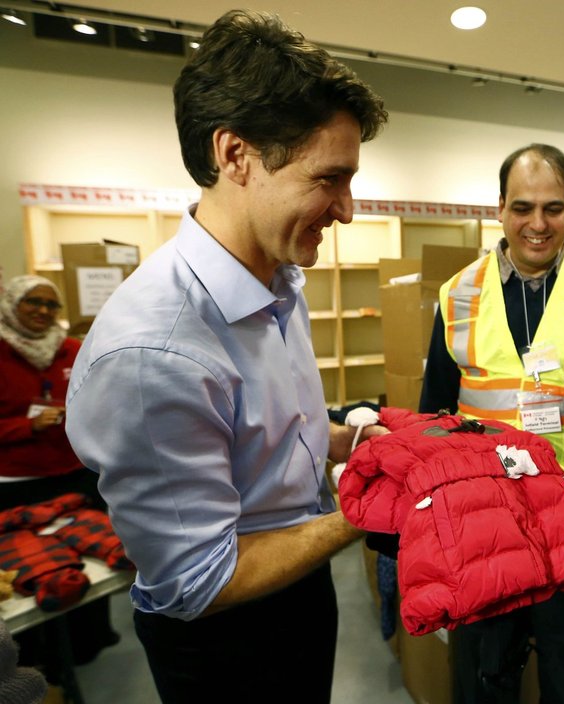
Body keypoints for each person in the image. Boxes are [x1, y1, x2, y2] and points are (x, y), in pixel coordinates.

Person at [65, 10, 388, 703]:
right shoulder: (155, 353)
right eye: (329, 179)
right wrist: (365, 511)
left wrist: (342, 440)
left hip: (297, 585)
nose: (348, 210)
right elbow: (198, 578)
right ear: (236, 155)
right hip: (227, 638)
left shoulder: (279, 283)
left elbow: (254, 436)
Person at [419, 143, 564, 703]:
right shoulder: (459, 294)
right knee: (484, 674)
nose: (538, 224)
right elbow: (433, 414)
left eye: (553, 208)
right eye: (522, 208)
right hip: (483, 522)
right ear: (499, 208)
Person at [0, 275, 119, 674]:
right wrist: (25, 427)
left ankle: (88, 645)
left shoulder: (72, 350)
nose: (42, 312)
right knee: (29, 572)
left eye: (52, 305)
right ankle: (29, 660)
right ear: (11, 304)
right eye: (32, 302)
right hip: (16, 485)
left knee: (93, 564)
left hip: (75, 476)